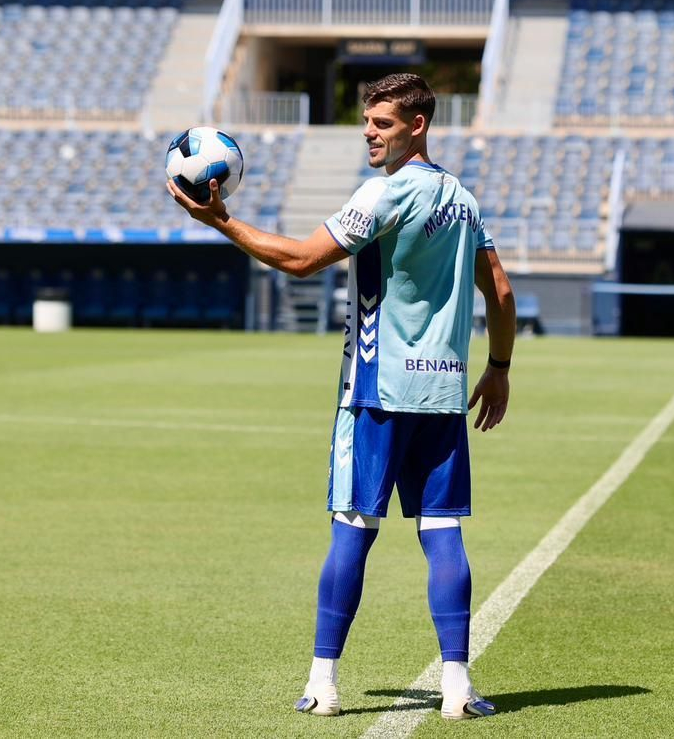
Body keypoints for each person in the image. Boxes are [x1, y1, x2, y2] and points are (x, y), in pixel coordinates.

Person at [167, 72, 516, 720]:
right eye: (367, 122)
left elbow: (302, 260)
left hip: (377, 390)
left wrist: (222, 221)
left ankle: (323, 684)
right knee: (442, 531)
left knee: (353, 528)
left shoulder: (384, 193)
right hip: (441, 392)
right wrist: (498, 365)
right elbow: (498, 287)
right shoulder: (463, 199)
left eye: (382, 123)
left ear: (417, 125)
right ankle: (457, 688)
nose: (369, 134)